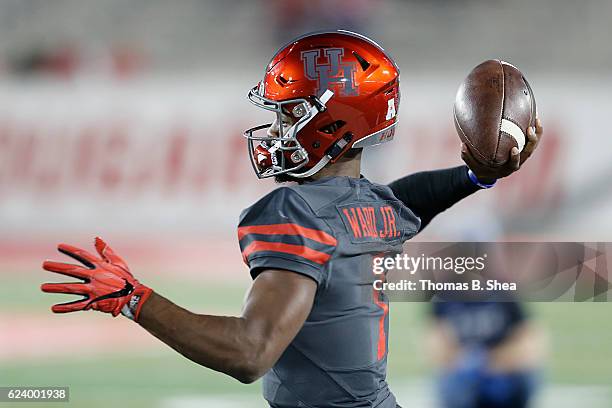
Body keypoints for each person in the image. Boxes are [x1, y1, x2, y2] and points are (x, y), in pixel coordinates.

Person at [41, 30, 542, 408]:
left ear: (332, 122)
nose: (277, 129)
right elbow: (409, 200)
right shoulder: (370, 208)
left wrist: (136, 300)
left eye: (289, 115)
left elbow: (250, 352)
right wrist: (475, 175)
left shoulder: (293, 211)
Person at [428, 301, 546, 408]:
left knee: (527, 376)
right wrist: (465, 361)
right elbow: (435, 345)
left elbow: (529, 341)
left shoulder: (505, 295)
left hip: (502, 369)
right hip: (463, 370)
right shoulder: (445, 298)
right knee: (453, 383)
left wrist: (493, 361)